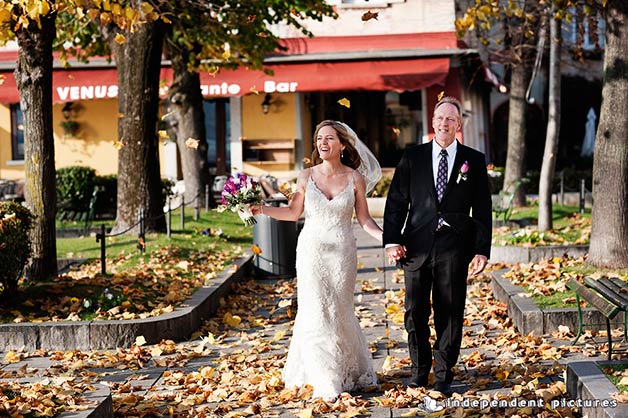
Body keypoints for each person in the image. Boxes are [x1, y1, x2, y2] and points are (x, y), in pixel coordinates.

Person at [251, 120, 383, 402]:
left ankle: (344, 368)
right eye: (319, 138)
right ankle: (325, 379)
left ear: (343, 145)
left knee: (338, 309)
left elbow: (364, 219)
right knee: (315, 311)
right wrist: (261, 209)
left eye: (330, 138)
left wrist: (388, 238)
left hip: (343, 255)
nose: (323, 143)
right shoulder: (306, 176)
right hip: (311, 252)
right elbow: (292, 212)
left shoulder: (354, 178)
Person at [383, 96, 492, 396]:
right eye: (439, 118)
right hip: (415, 247)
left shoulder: (474, 159)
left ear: (458, 124)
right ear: (432, 122)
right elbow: (396, 203)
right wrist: (392, 240)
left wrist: (482, 249)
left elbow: (482, 208)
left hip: (455, 247)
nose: (444, 123)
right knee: (414, 311)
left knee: (450, 311)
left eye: (450, 119)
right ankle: (419, 371)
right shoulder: (413, 157)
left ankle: (444, 373)